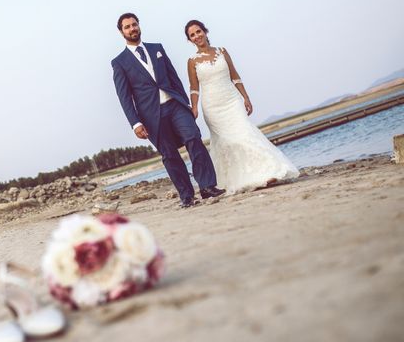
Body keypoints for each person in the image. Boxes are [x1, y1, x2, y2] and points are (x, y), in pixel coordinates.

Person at [112, 13, 225, 207]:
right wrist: (135, 123)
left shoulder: (157, 49)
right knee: (169, 155)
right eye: (127, 27)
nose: (132, 29)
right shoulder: (119, 62)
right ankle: (187, 196)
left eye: (134, 25)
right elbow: (124, 97)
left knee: (193, 138)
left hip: (175, 105)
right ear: (121, 32)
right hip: (151, 116)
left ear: (139, 26)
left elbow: (173, 77)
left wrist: (185, 101)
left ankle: (207, 187)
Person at [185, 19, 299, 193]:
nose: (196, 36)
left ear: (205, 31)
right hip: (212, 107)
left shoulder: (222, 51)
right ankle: (236, 178)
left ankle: (267, 172)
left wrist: (246, 97)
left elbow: (235, 75)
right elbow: (194, 88)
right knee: (228, 141)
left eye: (198, 31)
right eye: (192, 35)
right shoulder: (192, 61)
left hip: (232, 101)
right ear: (190, 40)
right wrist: (194, 108)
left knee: (245, 132)